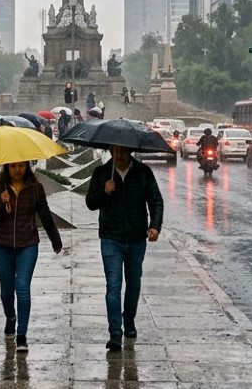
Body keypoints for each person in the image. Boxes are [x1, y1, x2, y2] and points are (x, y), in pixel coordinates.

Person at [85, 144, 164, 351]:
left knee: (133, 282)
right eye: (115, 151)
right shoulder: (102, 172)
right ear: (110, 151)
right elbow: (90, 203)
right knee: (113, 285)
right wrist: (104, 191)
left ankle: (128, 319)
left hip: (137, 238)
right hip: (111, 238)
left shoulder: (143, 172)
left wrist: (154, 226)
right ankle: (115, 332)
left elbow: (156, 201)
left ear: (129, 151)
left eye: (123, 151)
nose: (119, 155)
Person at [0, 160, 63, 353]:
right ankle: (11, 317)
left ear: (27, 166)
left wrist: (55, 240)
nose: (17, 170)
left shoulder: (35, 188)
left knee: (23, 288)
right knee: (6, 292)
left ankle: (22, 335)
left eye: (21, 166)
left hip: (28, 245)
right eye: (13, 166)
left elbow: (45, 214)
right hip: (2, 246)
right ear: (7, 168)